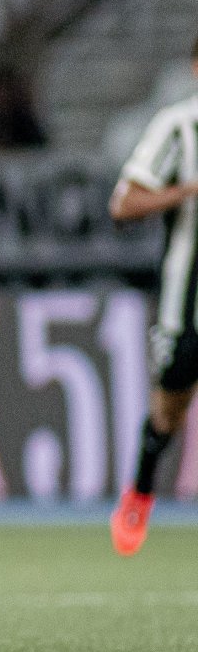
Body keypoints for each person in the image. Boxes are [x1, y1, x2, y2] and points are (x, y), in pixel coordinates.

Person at [107, 34, 198, 556]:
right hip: (186, 303)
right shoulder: (178, 126)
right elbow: (124, 203)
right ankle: (140, 490)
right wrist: (186, 190)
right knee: (168, 413)